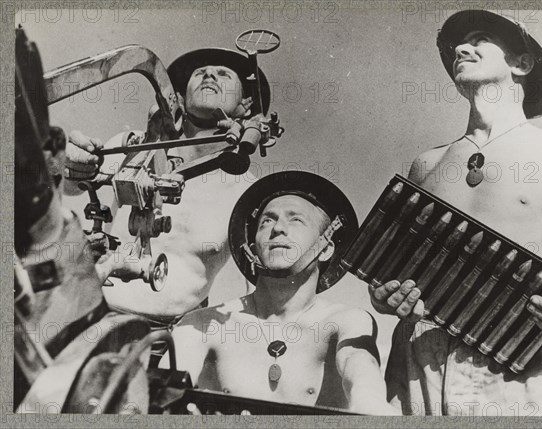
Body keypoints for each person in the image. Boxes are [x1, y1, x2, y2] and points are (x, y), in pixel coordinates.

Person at [369, 10, 542, 416]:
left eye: (480, 38)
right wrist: (384, 296)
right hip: (419, 355)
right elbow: (388, 276)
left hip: (514, 358)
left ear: (521, 64)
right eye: (457, 45)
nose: (461, 49)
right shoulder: (426, 164)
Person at [63, 48, 272, 324]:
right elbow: (70, 187)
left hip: (168, 341)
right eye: (200, 73)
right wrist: (71, 164)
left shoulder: (250, 193)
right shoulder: (133, 146)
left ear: (246, 105)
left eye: (223, 74)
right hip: (83, 313)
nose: (209, 74)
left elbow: (261, 279)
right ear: (180, 98)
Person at [164, 171, 398, 415]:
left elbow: (359, 367)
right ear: (252, 247)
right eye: (267, 221)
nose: (277, 229)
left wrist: (369, 401)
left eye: (295, 220)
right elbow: (161, 388)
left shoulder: (345, 321)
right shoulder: (203, 324)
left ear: (327, 247)